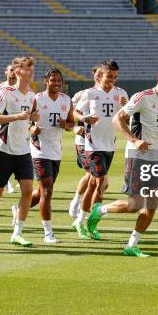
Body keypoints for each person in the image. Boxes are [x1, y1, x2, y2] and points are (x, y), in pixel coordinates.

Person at [86, 64, 158, 257]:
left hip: (156, 157)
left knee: (152, 204)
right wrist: (134, 140)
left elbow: (157, 126)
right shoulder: (142, 97)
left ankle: (131, 245)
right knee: (135, 205)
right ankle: (100, 209)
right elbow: (118, 119)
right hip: (137, 156)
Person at [0, 57, 38, 246]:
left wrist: (32, 120)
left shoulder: (32, 95)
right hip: (4, 148)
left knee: (28, 190)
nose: (31, 72)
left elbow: (28, 121)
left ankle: (17, 233)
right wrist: (17, 117)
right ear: (17, 71)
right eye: (27, 69)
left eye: (32, 69)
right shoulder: (6, 92)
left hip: (23, 149)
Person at [72, 60, 128, 240]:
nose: (112, 80)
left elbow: (125, 118)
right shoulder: (90, 94)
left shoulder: (121, 94)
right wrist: (85, 118)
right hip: (92, 145)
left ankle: (81, 220)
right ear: (101, 75)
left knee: (95, 184)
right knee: (101, 181)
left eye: (115, 77)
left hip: (109, 145)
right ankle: (90, 221)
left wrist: (126, 106)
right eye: (109, 76)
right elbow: (75, 113)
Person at [27, 68, 74, 243]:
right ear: (46, 81)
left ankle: (19, 209)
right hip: (39, 149)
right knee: (47, 190)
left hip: (56, 150)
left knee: (41, 193)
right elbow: (27, 120)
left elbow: (71, 124)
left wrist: (66, 125)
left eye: (59, 81)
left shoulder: (66, 100)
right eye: (53, 80)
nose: (56, 83)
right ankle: (48, 232)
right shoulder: (37, 99)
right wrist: (33, 128)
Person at [67, 67, 99, 219]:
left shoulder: (115, 94)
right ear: (94, 75)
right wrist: (74, 126)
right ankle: (80, 205)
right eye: (98, 74)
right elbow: (68, 112)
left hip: (103, 143)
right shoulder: (83, 94)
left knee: (97, 179)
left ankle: (80, 202)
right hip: (83, 141)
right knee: (92, 175)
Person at [0, 64, 18, 193]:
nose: (12, 73)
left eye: (14, 70)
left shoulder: (20, 88)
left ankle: (10, 180)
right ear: (6, 72)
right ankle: (7, 181)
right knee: (4, 153)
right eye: (10, 70)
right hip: (4, 125)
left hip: (19, 126)